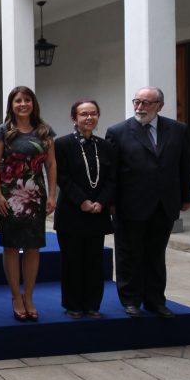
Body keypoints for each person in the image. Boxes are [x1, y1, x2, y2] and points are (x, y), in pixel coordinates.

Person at [106, 86, 190, 318]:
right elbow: (112, 172)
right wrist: (111, 202)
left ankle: (155, 300)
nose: (140, 107)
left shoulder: (177, 130)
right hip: (129, 205)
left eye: (146, 103)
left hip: (164, 204)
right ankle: (131, 300)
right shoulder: (118, 132)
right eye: (137, 102)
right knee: (129, 254)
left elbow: (186, 165)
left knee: (156, 255)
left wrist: (187, 196)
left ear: (160, 106)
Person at [0, 86, 57, 322]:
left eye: (27, 100)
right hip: (10, 196)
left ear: (33, 104)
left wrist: (51, 196)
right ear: (12, 104)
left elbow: (51, 165)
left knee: (33, 246)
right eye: (18, 100)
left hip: (35, 194)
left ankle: (28, 296)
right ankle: (15, 297)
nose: (23, 104)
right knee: (10, 246)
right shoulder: (2, 131)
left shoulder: (44, 131)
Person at [54, 100, 115, 319]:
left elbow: (112, 178)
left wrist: (102, 201)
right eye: (83, 114)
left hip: (98, 212)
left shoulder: (105, 146)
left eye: (93, 113)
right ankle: (73, 304)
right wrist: (82, 201)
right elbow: (62, 176)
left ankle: (92, 305)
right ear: (74, 118)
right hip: (71, 212)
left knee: (94, 261)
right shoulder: (61, 144)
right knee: (72, 260)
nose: (89, 118)